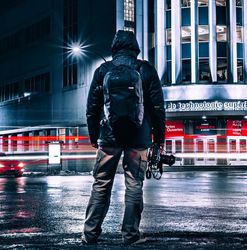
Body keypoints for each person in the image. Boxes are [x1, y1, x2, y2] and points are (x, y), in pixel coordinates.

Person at [82, 30, 165, 245]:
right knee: (134, 185)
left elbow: (92, 108)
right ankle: (130, 235)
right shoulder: (145, 69)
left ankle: (90, 234)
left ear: (114, 48)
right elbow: (157, 108)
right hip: (138, 139)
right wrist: (159, 139)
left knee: (101, 183)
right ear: (135, 48)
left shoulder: (103, 70)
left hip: (109, 138)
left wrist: (95, 136)